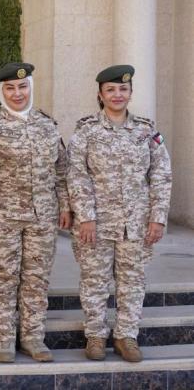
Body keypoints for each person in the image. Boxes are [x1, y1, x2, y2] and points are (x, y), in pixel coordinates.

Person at [0, 62, 71, 363]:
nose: (17, 93)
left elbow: (61, 171)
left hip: (42, 217)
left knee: (37, 279)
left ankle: (33, 338)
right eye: (10, 88)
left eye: (22, 87)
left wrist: (65, 206)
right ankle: (3, 339)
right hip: (2, 218)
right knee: (2, 279)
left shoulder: (47, 125)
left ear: (30, 88)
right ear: (2, 92)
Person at [68, 64, 172, 362]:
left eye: (123, 89)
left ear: (130, 93)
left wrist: (158, 217)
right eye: (110, 90)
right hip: (95, 224)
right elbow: (76, 175)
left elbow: (161, 174)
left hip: (136, 224)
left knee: (132, 282)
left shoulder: (146, 131)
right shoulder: (86, 130)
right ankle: (96, 336)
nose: (117, 95)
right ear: (100, 94)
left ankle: (126, 337)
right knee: (94, 281)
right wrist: (85, 216)